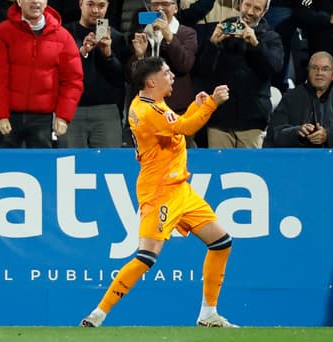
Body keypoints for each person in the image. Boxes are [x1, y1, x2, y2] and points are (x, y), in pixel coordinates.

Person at [80, 56, 234, 328]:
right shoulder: (149, 111)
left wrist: (193, 108)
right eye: (166, 72)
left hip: (180, 189)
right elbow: (184, 128)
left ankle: (209, 313)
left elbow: (175, 128)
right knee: (146, 257)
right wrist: (211, 104)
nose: (172, 75)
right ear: (151, 81)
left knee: (221, 242)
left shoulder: (149, 104)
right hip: (160, 191)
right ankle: (98, 313)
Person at [0, 0, 83, 148]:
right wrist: (0, 115)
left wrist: (63, 116)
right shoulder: (1, 33)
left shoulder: (63, 37)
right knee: (5, 169)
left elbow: (73, 81)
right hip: (9, 117)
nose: (35, 1)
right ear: (19, 1)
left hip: (44, 120)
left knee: (43, 170)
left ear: (46, 1)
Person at [196, 0, 283, 148]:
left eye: (257, 8)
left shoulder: (271, 37)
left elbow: (273, 70)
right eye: (247, 5)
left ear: (264, 12)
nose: (250, 12)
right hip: (220, 120)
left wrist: (255, 44)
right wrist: (212, 44)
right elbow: (203, 70)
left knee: (250, 169)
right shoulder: (222, 30)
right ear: (240, 4)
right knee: (220, 170)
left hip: (252, 121)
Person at [62, 0, 129, 148]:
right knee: (70, 166)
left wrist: (108, 55)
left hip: (107, 111)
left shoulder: (116, 37)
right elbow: (59, 71)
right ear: (80, 4)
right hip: (72, 109)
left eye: (101, 5)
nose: (95, 11)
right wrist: (82, 52)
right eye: (90, 4)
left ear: (107, 7)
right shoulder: (64, 34)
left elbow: (121, 78)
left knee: (108, 166)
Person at [267, 51, 333, 147]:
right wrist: (296, 132)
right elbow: (275, 133)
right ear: (308, 71)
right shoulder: (291, 97)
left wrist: (328, 137)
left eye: (325, 69)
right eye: (314, 68)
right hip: (299, 158)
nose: (319, 73)